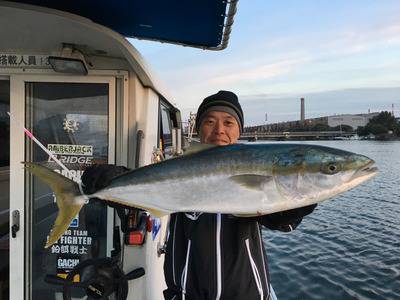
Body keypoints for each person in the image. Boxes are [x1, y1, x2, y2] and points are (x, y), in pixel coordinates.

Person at [82, 90, 316, 300]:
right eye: (210, 122)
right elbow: (145, 195)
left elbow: (280, 220)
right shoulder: (178, 167)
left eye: (228, 122)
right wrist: (114, 180)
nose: (219, 130)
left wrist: (299, 202)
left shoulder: (255, 170)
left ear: (238, 131)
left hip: (248, 294)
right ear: (199, 128)